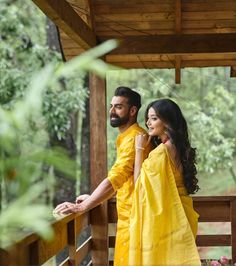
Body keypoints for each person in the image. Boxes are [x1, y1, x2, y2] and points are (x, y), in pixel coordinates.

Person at [54, 86, 152, 265]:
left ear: (132, 111)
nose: (112, 111)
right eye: (111, 106)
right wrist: (93, 198)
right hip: (129, 217)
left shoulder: (135, 138)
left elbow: (114, 180)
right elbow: (122, 181)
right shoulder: (127, 137)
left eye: (118, 107)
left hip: (137, 219)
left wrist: (82, 207)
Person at [129, 99, 201, 265]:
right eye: (148, 118)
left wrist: (139, 150)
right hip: (182, 216)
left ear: (167, 121)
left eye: (154, 118)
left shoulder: (161, 153)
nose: (148, 122)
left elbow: (139, 184)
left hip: (171, 221)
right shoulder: (178, 147)